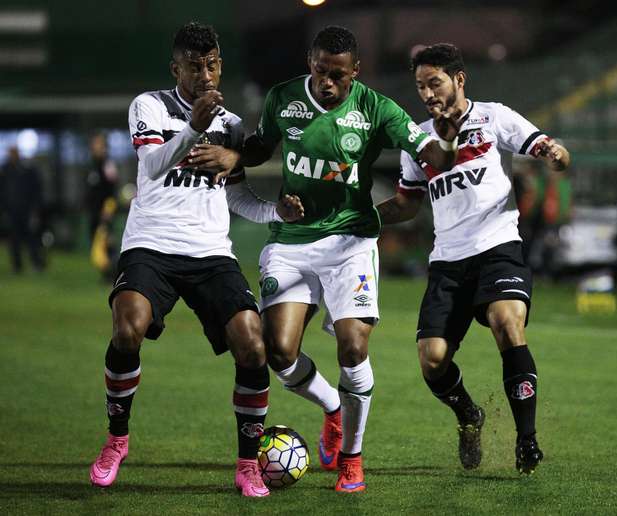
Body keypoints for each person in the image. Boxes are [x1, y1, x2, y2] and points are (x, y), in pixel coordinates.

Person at [190, 25, 463, 492]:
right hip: (292, 241)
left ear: (355, 72)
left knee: (353, 348)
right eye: (320, 72)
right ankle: (334, 409)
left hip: (350, 243)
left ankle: (352, 458)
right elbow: (260, 148)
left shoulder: (377, 109)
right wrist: (234, 156)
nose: (327, 83)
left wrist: (448, 141)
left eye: (338, 75)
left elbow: (431, 154)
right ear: (309, 64)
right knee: (278, 352)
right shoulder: (284, 98)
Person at [88, 22, 303, 498]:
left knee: (253, 342)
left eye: (212, 64)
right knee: (128, 327)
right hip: (151, 245)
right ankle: (116, 439)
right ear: (176, 68)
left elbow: (237, 197)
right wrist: (193, 127)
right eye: (194, 65)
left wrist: (275, 210)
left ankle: (248, 465)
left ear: (220, 64)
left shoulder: (232, 125)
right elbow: (151, 166)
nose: (205, 74)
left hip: (210, 252)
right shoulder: (150, 106)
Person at [376, 43, 570, 474]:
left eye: (435, 83)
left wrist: (556, 156)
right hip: (448, 262)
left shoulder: (494, 116)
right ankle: (468, 414)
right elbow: (407, 205)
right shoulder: (417, 139)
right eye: (420, 86)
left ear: (459, 80)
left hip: (499, 248)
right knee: (432, 359)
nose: (427, 93)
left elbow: (547, 148)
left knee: (506, 322)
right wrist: (363, 217)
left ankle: (527, 439)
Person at [1, 145, 46, 273]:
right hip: (12, 211)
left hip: (27, 210)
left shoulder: (27, 169)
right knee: (14, 240)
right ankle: (17, 266)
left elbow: (36, 190)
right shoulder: (6, 169)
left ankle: (37, 263)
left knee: (32, 238)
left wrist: (35, 209)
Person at [85, 133, 120, 280]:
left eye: (98, 144)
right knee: (98, 244)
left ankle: (114, 274)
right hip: (94, 211)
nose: (95, 147)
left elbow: (113, 190)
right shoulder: (93, 165)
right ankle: (107, 273)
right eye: (93, 144)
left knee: (107, 243)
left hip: (104, 211)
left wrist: (108, 210)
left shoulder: (108, 164)